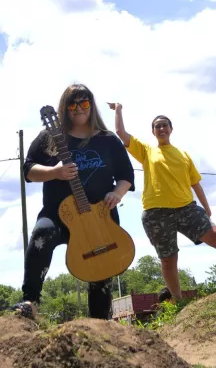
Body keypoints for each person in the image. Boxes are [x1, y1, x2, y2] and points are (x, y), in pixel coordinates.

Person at [108, 103, 216, 302]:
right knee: (168, 259)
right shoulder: (147, 151)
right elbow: (121, 132)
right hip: (156, 212)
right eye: (158, 126)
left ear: (171, 129)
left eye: (165, 125)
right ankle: (179, 301)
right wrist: (119, 109)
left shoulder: (183, 155)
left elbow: (196, 183)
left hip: (186, 208)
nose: (162, 128)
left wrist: (206, 207)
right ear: (153, 132)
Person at [10, 84, 134, 320]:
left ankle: (100, 323)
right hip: (58, 215)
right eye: (72, 104)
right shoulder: (50, 137)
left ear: (91, 106)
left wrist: (117, 193)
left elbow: (126, 175)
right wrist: (54, 172)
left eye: (84, 103)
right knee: (40, 236)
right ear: (64, 108)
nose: (78, 109)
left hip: (100, 216)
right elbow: (28, 170)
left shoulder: (107, 140)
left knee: (102, 266)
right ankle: (30, 302)